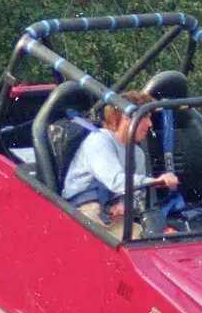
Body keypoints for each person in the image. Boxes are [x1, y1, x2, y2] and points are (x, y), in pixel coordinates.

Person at [60, 90, 179, 237]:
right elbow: (116, 180)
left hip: (113, 217)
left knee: (152, 240)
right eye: (146, 117)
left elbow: (137, 194)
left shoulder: (138, 154)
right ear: (127, 118)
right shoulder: (99, 141)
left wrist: (124, 204)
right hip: (83, 213)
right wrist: (156, 181)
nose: (150, 124)